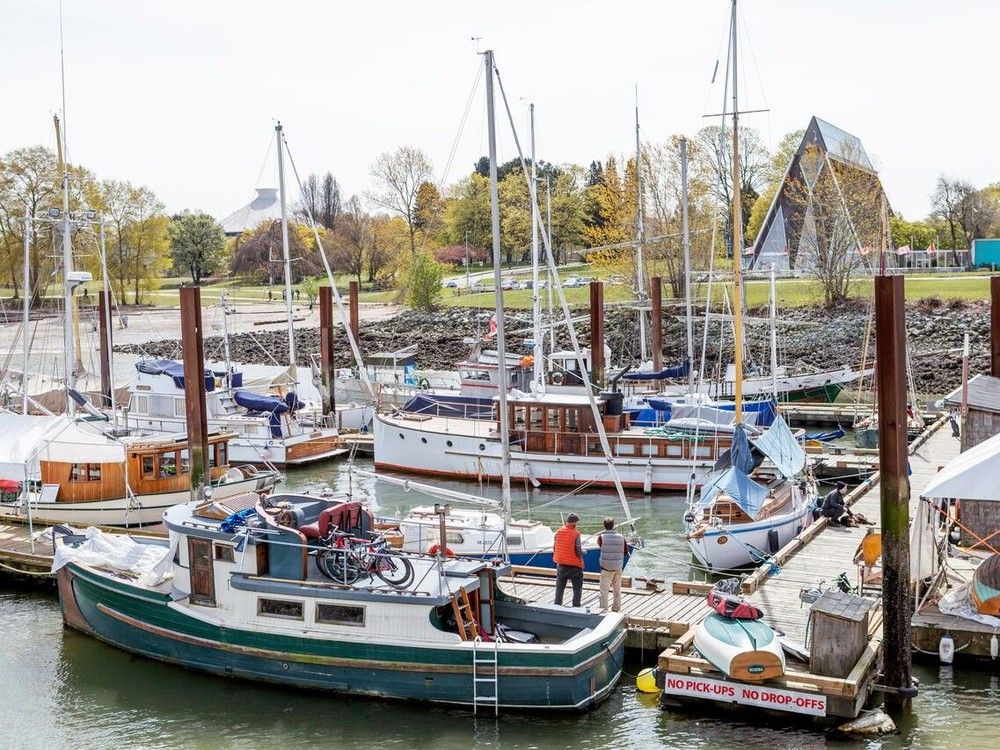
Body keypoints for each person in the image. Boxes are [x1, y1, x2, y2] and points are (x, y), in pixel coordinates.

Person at [553, 513, 584, 608]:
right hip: (574, 566)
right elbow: (578, 551)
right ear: (574, 523)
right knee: (577, 589)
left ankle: (557, 607)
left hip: (561, 565)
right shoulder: (576, 534)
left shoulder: (558, 532)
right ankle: (576, 607)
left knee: (559, 589)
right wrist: (583, 552)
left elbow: (555, 547)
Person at [597, 517, 625, 613]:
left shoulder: (601, 537)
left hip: (606, 567)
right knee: (617, 590)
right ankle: (616, 609)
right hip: (618, 567)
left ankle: (603, 610)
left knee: (604, 591)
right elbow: (625, 551)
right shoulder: (621, 537)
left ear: (604, 526)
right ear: (613, 525)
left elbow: (600, 546)